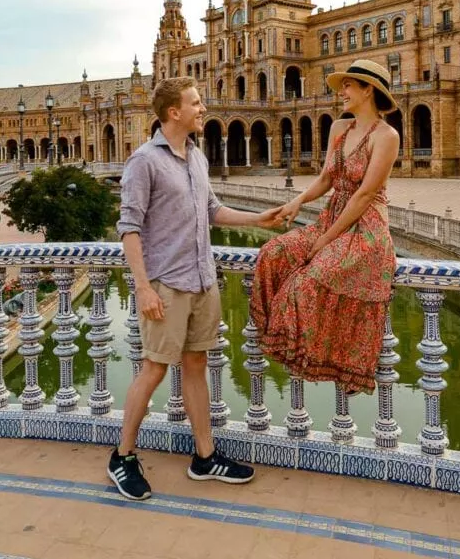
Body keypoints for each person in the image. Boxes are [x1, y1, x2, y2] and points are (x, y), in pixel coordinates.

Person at [108, 77, 283, 501]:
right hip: (166, 284)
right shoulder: (144, 161)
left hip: (203, 279)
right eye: (196, 103)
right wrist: (143, 288)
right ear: (174, 112)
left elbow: (212, 211)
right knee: (153, 369)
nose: (203, 108)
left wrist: (258, 220)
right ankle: (122, 456)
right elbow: (129, 229)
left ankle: (204, 456)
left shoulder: (196, 158)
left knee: (196, 366)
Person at [251, 59, 400, 395]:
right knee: (272, 253)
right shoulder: (338, 128)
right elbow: (325, 178)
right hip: (331, 217)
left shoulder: (387, 136)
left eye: (348, 85)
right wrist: (297, 202)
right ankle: (280, 344)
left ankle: (324, 358)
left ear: (368, 90)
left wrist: (324, 241)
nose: (342, 92)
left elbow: (363, 196)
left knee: (305, 283)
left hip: (365, 228)